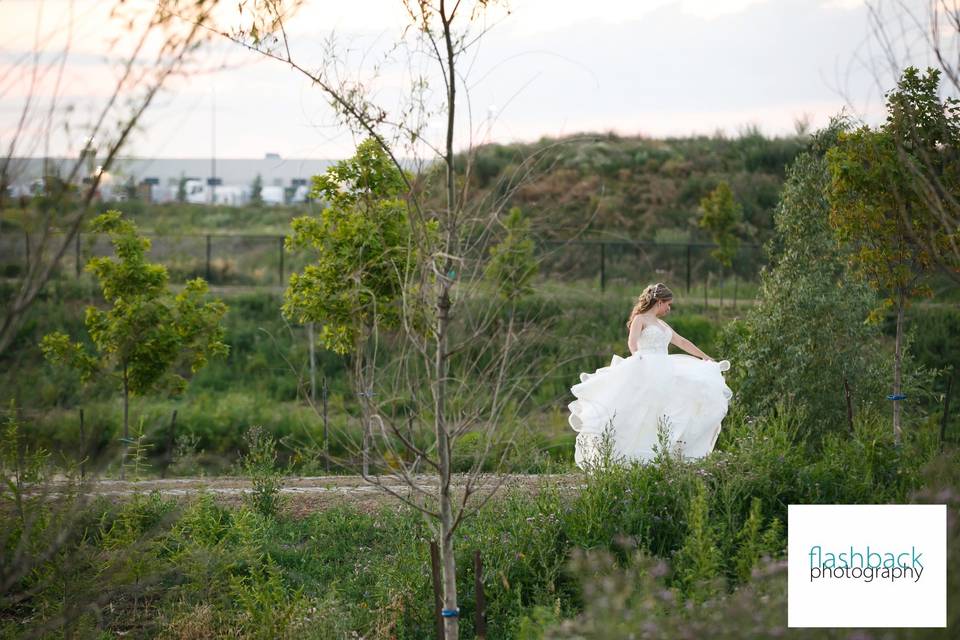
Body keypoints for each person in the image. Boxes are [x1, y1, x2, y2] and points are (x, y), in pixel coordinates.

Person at [568, 283, 732, 469]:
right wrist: (639, 360)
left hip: (666, 367)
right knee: (643, 412)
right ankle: (635, 459)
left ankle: (666, 455)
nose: (669, 308)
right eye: (667, 304)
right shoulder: (640, 319)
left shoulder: (661, 324)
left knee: (677, 404)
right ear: (659, 301)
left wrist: (705, 357)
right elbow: (632, 343)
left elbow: (681, 341)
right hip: (647, 366)